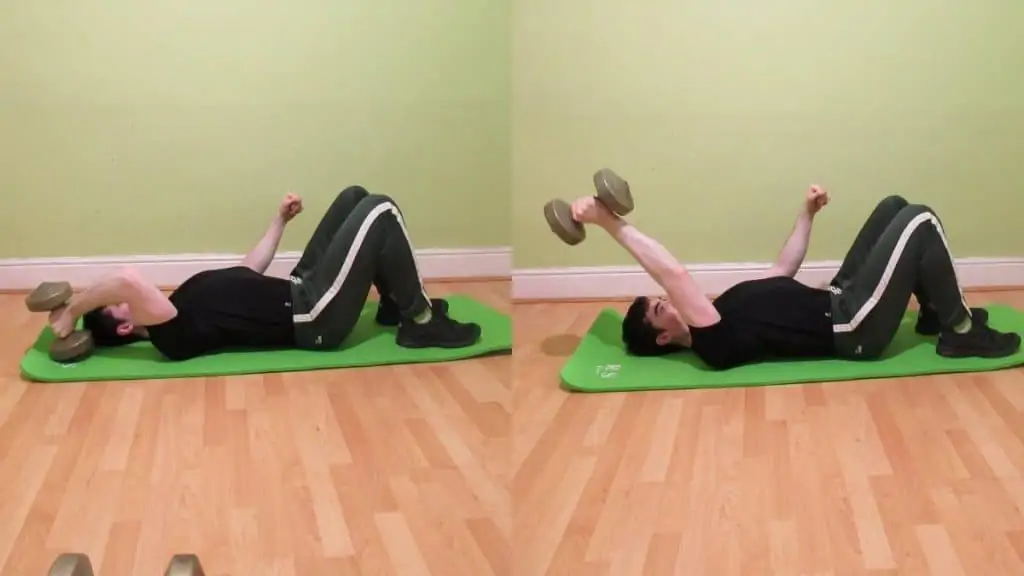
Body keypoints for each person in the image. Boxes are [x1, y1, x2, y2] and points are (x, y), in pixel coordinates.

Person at [568, 185, 1021, 370]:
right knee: (919, 221)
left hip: (840, 296)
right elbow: (673, 273)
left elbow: (782, 271)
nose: (671, 299)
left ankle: (933, 313)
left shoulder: (723, 309)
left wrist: (806, 214)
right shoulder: (713, 341)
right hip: (852, 326)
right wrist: (608, 222)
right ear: (664, 338)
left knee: (894, 207)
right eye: (663, 307)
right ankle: (960, 330)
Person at [49, 186, 482, 361]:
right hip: (313, 318)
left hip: (297, 287)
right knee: (380, 210)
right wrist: (72, 312)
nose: (127, 293)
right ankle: (421, 321)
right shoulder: (168, 332)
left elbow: (245, 272)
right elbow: (126, 277)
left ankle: (393, 306)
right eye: (118, 303)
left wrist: (279, 221)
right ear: (126, 326)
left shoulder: (179, 306)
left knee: (356, 198)